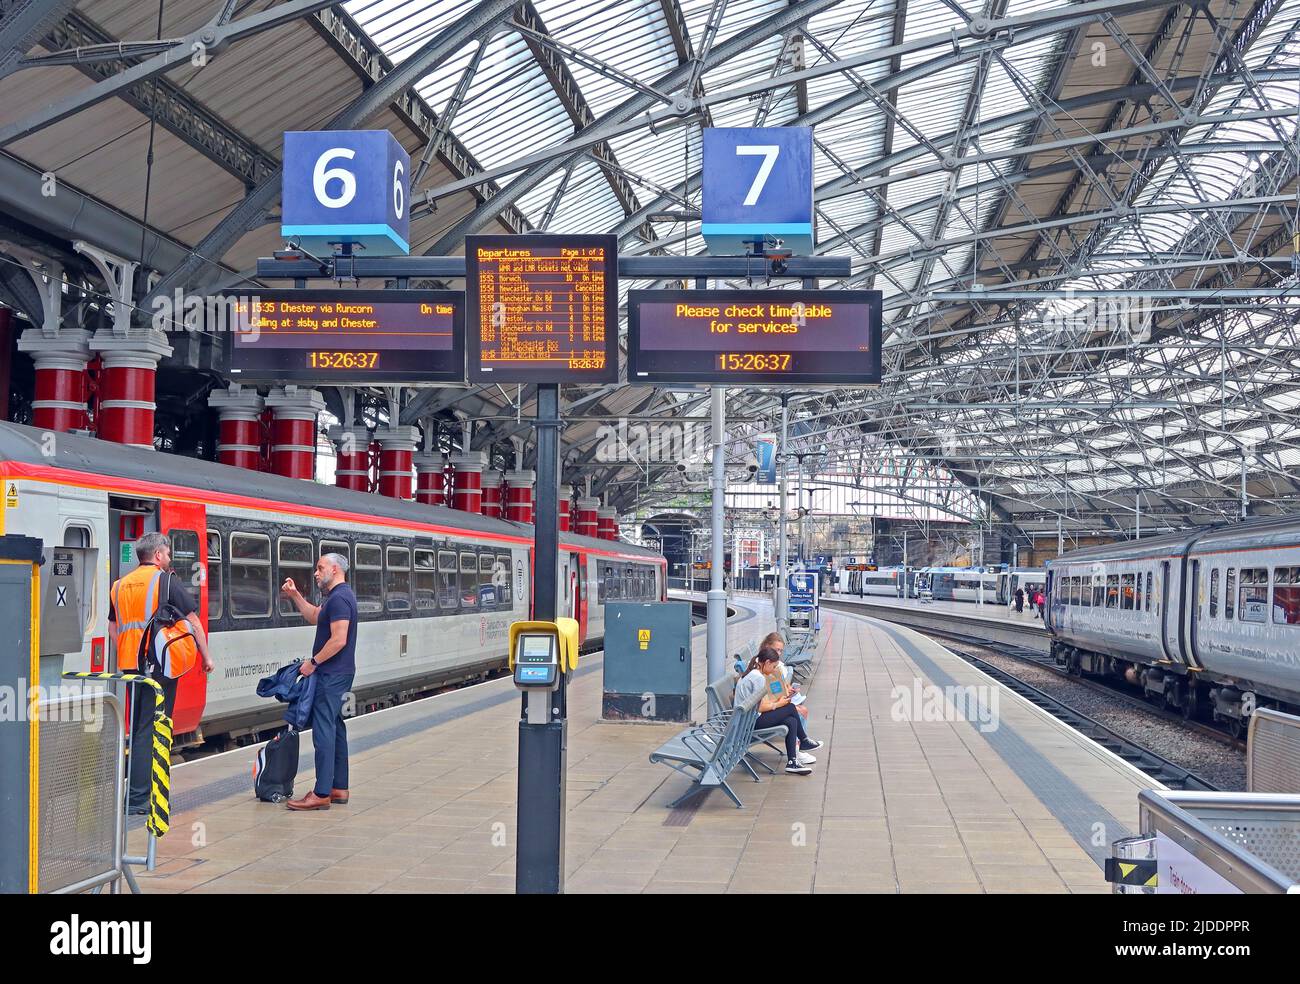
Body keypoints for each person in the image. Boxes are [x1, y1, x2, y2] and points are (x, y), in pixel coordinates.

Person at [108, 532, 213, 815]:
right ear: (157, 555)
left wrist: (128, 651)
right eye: (167, 554)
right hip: (160, 667)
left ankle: (141, 794)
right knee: (157, 728)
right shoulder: (165, 580)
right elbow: (192, 622)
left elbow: (113, 626)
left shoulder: (119, 585)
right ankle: (143, 798)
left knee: (139, 727)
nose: (168, 559)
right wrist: (206, 658)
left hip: (132, 667)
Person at [280, 552, 358, 811]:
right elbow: (314, 616)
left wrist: (313, 663)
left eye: (320, 567)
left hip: (332, 674)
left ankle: (322, 792)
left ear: (334, 569)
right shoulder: (337, 598)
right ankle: (339, 787)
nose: (315, 573)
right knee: (335, 727)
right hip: (339, 673)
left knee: (323, 730)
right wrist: (295, 595)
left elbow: (339, 639)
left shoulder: (339, 599)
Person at [736, 647, 822, 774]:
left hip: (747, 719)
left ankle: (792, 761)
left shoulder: (754, 673)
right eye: (774, 666)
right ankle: (803, 741)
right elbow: (759, 707)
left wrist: (778, 702)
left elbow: (758, 704)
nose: (773, 670)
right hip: (749, 723)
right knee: (791, 708)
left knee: (791, 720)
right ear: (767, 663)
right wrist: (778, 704)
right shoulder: (758, 677)